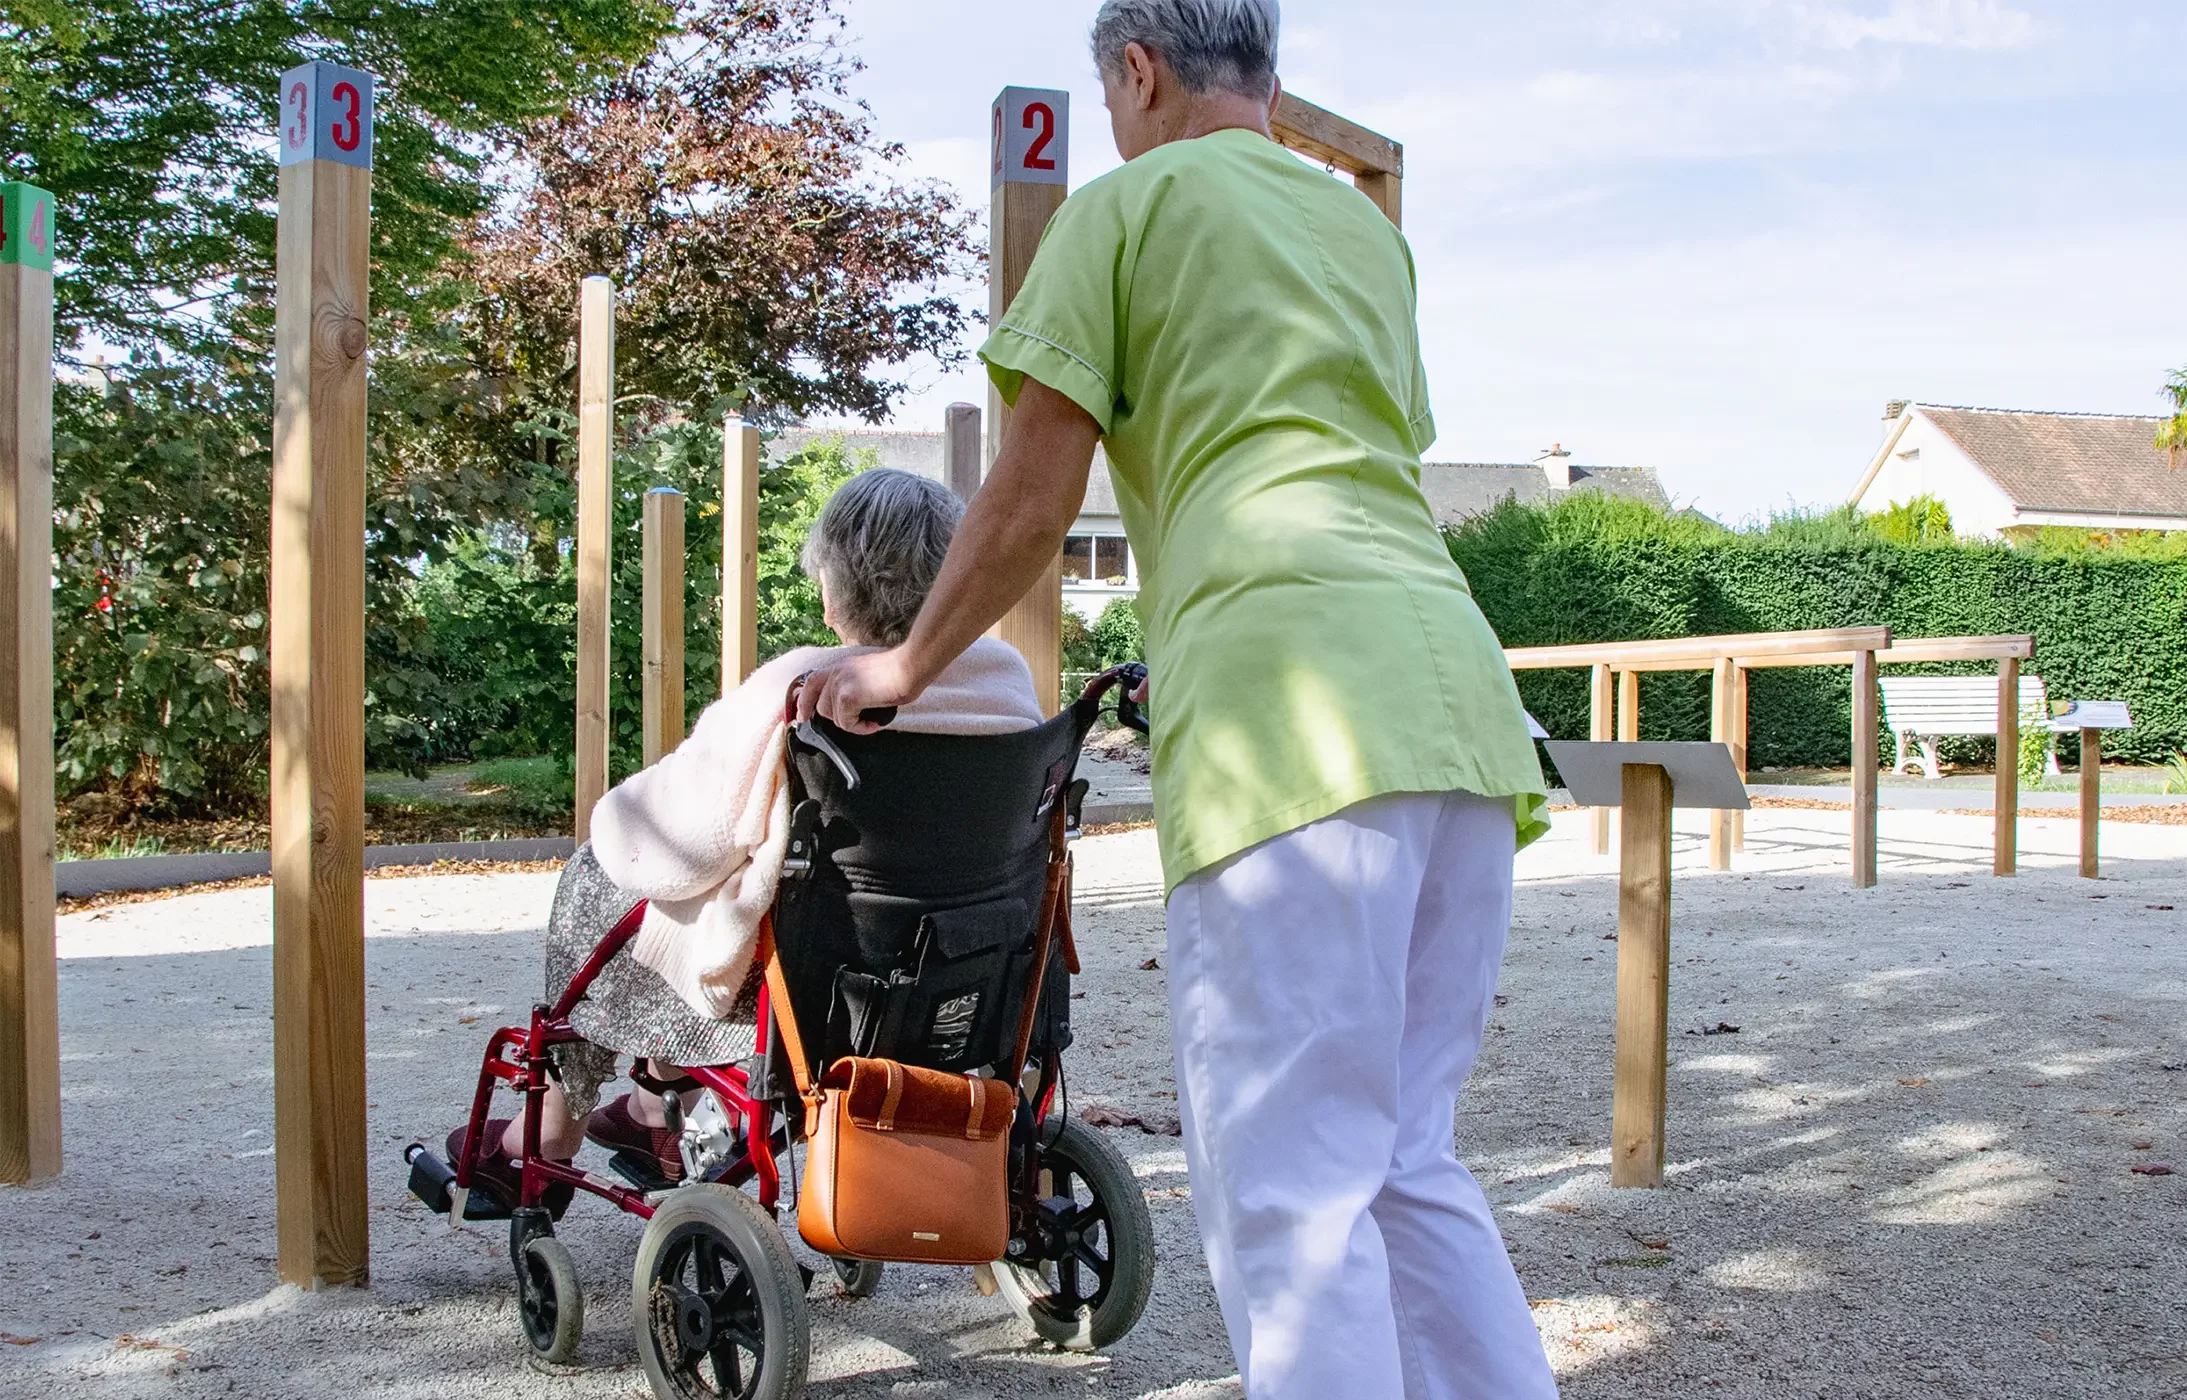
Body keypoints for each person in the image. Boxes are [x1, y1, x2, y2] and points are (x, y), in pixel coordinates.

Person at [797, 2, 1559, 1396]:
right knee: (1406, 1161)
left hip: (1293, 708)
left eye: (1113, 97)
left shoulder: (1125, 210)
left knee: (1295, 1196)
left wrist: (899, 666)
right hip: (1455, 702)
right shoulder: (1365, 240)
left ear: (1137, 73)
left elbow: (1034, 497)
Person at [446, 468, 1043, 1206]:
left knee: (602, 880)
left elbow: (671, 846)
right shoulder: (1007, 681)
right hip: (958, 969)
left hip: (804, 987)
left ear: (833, 593)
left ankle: (550, 1134)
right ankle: (647, 1111)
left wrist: (616, 815)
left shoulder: (804, 687)